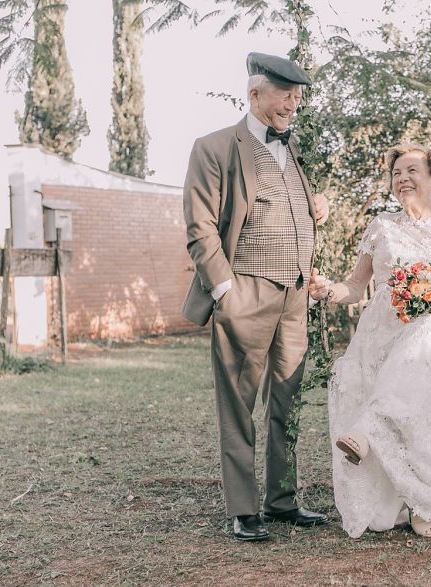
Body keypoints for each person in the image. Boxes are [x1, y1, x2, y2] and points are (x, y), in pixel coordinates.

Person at [309, 144, 431, 539]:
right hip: (383, 336)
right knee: (405, 392)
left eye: (412, 170)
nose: (402, 179)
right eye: (396, 172)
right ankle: (400, 493)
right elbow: (355, 287)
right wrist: (328, 289)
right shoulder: (382, 226)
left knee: (427, 346)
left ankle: (414, 491)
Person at [181, 52, 330, 542]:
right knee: (239, 403)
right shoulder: (215, 147)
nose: (294, 103)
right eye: (285, 94)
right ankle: (245, 509)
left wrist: (314, 212)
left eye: (298, 96)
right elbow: (200, 225)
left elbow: (285, 212)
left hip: (295, 295)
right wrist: (225, 289)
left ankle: (283, 500)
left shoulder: (293, 151)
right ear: (255, 93)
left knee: (288, 401)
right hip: (245, 290)